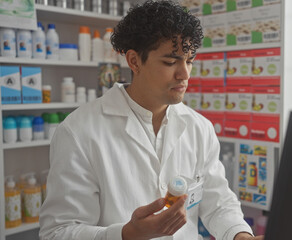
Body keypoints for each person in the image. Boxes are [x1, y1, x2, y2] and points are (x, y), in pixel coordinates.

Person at [39, 1, 264, 239]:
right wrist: (125, 235)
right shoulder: (79, 131)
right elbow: (58, 232)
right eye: (170, 62)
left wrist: (239, 235)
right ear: (134, 61)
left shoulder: (199, 128)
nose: (185, 74)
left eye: (189, 61)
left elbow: (218, 201)